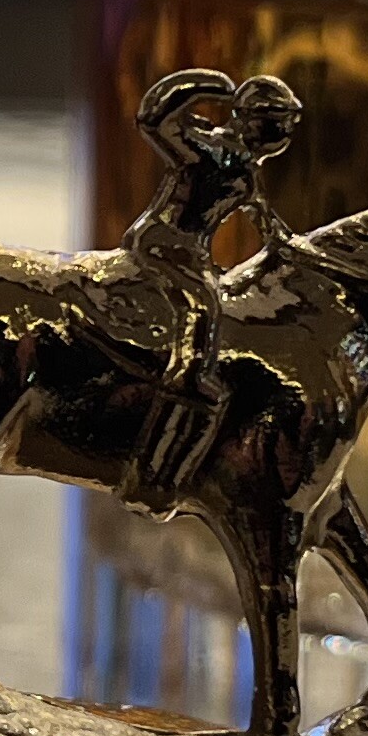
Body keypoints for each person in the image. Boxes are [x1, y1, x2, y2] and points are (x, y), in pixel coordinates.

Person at [112, 69, 297, 512]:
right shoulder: (208, 148)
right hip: (164, 246)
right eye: (277, 122)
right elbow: (155, 120)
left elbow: (270, 228)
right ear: (253, 120)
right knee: (203, 311)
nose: (282, 133)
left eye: (287, 124)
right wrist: (207, 86)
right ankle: (185, 383)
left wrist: (306, 255)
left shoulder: (248, 172)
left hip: (194, 256)